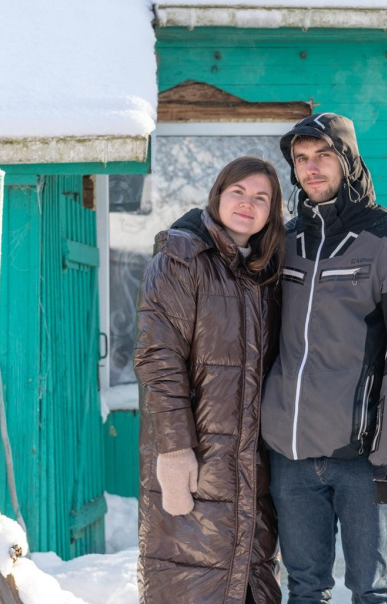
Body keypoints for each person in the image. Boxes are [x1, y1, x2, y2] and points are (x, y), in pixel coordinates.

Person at [261, 113, 387, 603]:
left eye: (322, 155)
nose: (311, 168)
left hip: (362, 457)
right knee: (303, 589)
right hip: (289, 454)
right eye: (300, 160)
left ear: (348, 159)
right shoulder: (284, 241)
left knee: (370, 590)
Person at [134, 156, 285, 604]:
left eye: (261, 198)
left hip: (248, 471)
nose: (247, 204)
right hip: (197, 463)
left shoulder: (263, 273)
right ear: (218, 195)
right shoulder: (181, 258)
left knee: (247, 582)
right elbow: (158, 358)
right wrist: (176, 450)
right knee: (190, 583)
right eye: (238, 191)